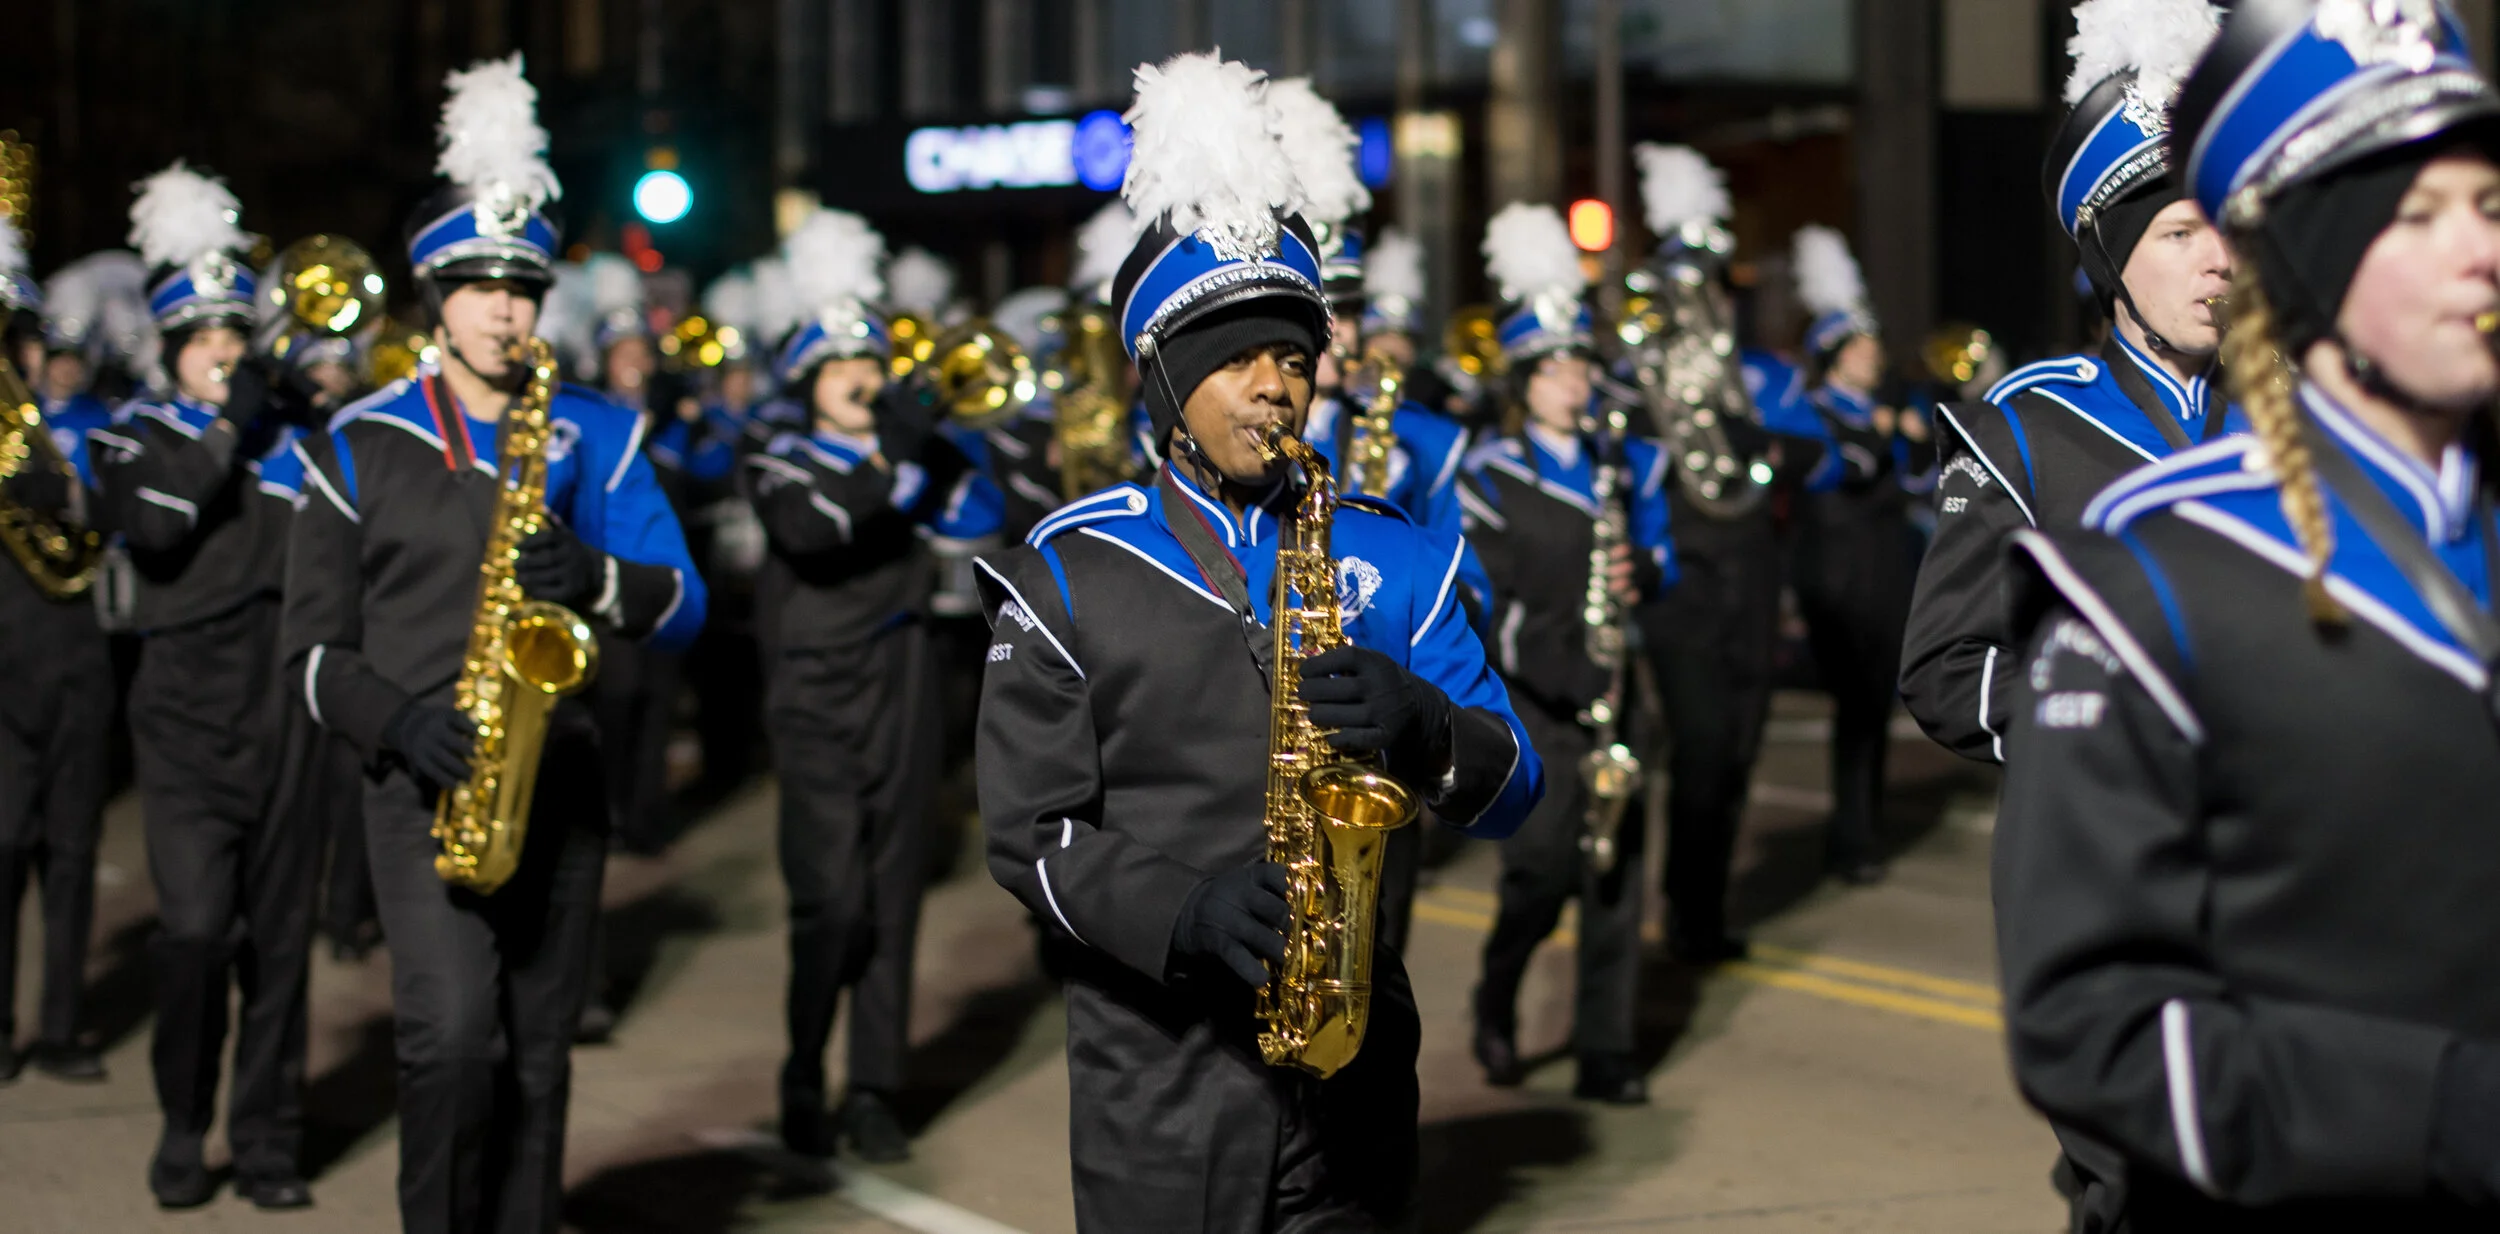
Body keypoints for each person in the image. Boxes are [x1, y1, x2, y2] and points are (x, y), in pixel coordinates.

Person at [975, 53, 1542, 1231]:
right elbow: (1029, 834)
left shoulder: (1395, 554)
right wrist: (1179, 911)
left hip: (1358, 1070)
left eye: (1292, 356)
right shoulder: (1074, 568)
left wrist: (1430, 730)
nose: (1274, 387)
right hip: (1161, 1074)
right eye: (1235, 358)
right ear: (1167, 384)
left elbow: (1515, 781)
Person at [1995, 2, 2500, 1224]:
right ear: (2308, 253)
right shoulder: (2151, 575)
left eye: (2488, 204)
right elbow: (2088, 1027)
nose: (2478, 251)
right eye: (2416, 215)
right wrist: (2443, 1114)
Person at [280, 54, 705, 1234]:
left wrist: (600, 580)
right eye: (477, 285)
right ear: (434, 297)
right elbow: (309, 655)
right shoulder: (356, 443)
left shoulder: (594, 432)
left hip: (559, 777)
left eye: (522, 284)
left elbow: (687, 603)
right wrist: (400, 722)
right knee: (451, 1041)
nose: (506, 308)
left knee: (539, 1051)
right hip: (418, 779)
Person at [1902, 0, 2238, 766]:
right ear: (2112, 264)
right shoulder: (2026, 428)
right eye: (2181, 233)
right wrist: (2122, 708)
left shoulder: (2289, 414)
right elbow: (1946, 673)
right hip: (2102, 860)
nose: (2218, 260)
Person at [740, 206, 1002, 1164]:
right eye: (843, 366)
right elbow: (812, 533)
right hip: (814, 692)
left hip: (903, 676)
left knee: (895, 896)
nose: (864, 378)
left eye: (872, 364)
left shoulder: (916, 455)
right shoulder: (776, 456)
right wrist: (897, 458)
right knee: (832, 902)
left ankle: (876, 1089)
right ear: (809, 378)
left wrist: (927, 447)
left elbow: (985, 515)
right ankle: (805, 1068)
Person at [86, 164, 323, 1212]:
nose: (224, 356)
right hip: (183, 718)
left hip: (283, 706)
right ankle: (185, 1123)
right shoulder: (131, 436)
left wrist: (300, 414)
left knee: (279, 945)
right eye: (204, 341)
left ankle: (267, 1139)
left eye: (237, 338)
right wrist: (231, 428)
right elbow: (159, 527)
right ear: (174, 350)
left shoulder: (295, 437)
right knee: (192, 935)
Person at [1460, 202, 1674, 1104]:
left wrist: (1642, 574)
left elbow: (1662, 556)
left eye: (1580, 364)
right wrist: (1561, 671)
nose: (1574, 381)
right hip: (1538, 705)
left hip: (1619, 697)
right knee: (1541, 876)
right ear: (1523, 379)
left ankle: (1605, 1050)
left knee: (1616, 879)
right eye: (1554, 368)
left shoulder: (1622, 465)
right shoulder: (1490, 477)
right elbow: (1484, 601)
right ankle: (1496, 1000)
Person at [1614, 145, 1797, 964]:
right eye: (1692, 285)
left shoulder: (1754, 375)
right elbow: (1616, 460)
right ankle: (1681, 912)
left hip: (1751, 564)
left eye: (1713, 285)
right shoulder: (1637, 378)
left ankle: (1706, 907)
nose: (1705, 302)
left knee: (1742, 748)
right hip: (1686, 574)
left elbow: (1813, 453)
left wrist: (1757, 439)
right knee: (1701, 747)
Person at [0, 220, 113, 1087]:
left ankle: (67, 1026)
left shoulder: (82, 426)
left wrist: (68, 491)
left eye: (21, 342)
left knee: (71, 853)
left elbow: (123, 512)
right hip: (3, 673)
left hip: (78, 661)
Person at [1786, 226, 1933, 885]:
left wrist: (1911, 436)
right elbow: (1833, 472)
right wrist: (1878, 435)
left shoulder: (1887, 409)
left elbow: (1920, 481)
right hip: (1837, 574)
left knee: (1874, 706)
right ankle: (1850, 840)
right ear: (1836, 353)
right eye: (1864, 345)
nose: (1876, 355)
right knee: (1854, 709)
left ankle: (1862, 830)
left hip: (1885, 569)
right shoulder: (1815, 408)